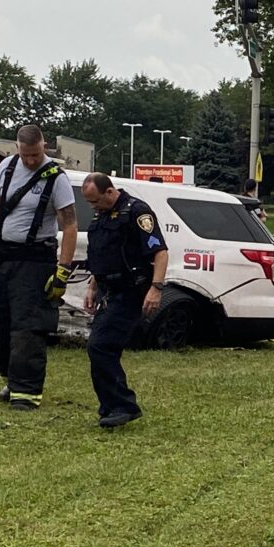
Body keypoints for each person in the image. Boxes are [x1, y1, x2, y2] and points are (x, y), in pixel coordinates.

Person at [0, 125, 77, 410]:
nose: (31, 160)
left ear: (44, 146)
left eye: (36, 154)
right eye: (26, 154)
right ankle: (11, 376)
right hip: (0, 255)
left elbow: (70, 224)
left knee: (27, 328)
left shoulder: (57, 178)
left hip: (35, 260)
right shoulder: (6, 166)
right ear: (17, 148)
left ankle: (26, 392)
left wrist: (63, 270)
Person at [81, 173, 168, 428]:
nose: (93, 207)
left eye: (96, 201)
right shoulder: (103, 215)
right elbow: (104, 254)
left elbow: (160, 252)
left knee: (100, 346)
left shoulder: (137, 212)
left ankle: (123, 405)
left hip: (131, 291)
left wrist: (156, 288)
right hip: (108, 290)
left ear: (110, 192)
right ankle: (110, 405)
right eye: (90, 203)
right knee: (101, 346)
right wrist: (93, 285)